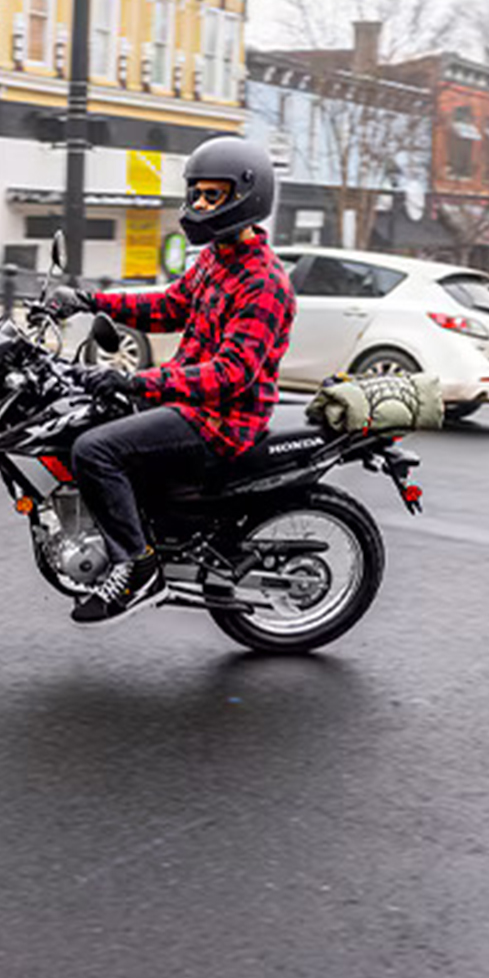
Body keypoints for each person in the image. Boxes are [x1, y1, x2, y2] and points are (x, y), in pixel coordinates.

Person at [44, 137, 295, 626]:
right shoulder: (218, 260)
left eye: (211, 196)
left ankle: (137, 565)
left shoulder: (263, 283)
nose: (198, 205)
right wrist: (89, 300)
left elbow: (230, 375)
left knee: (94, 450)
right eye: (196, 194)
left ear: (247, 196)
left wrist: (139, 383)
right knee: (91, 415)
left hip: (221, 421)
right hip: (193, 406)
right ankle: (141, 525)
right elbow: (167, 306)